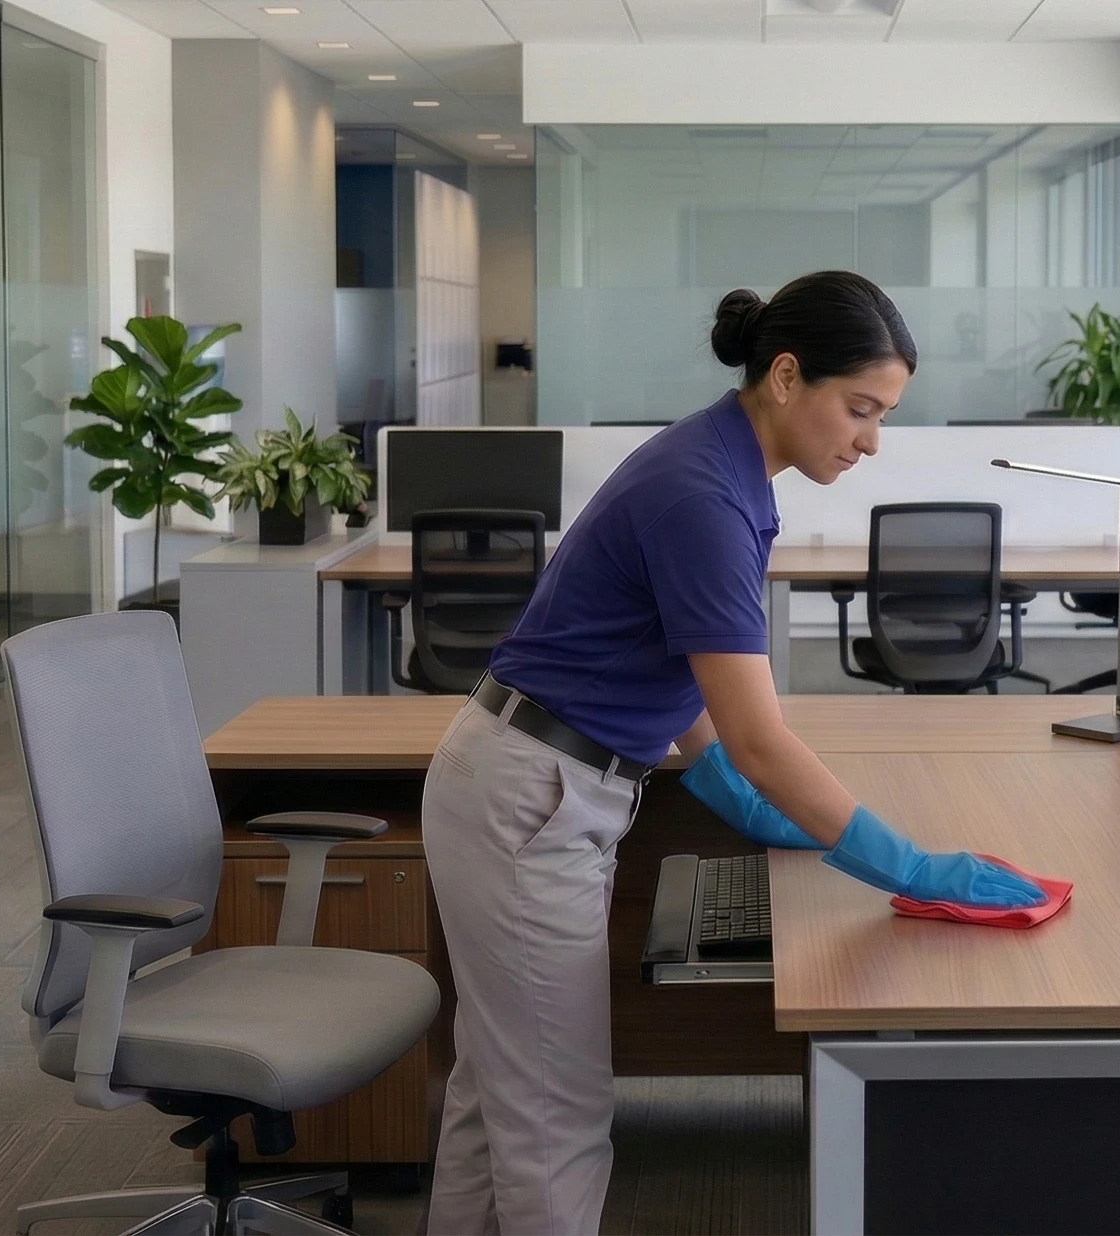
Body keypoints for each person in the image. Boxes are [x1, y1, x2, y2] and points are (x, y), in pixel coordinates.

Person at [420, 270, 1046, 1236]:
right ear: (788, 377)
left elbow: (684, 682)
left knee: (496, 1091)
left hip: (526, 775)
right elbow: (760, 736)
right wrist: (908, 868)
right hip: (528, 796)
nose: (872, 440)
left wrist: (745, 792)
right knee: (557, 1117)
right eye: (862, 409)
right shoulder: (705, 496)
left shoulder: (721, 464)